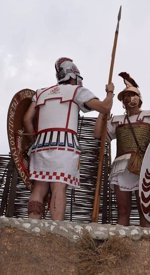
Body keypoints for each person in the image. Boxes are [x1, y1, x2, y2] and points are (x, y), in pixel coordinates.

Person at [23, 57, 114, 221]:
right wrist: (109, 92)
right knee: (58, 186)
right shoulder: (76, 91)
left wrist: (33, 141)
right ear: (73, 75)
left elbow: (27, 120)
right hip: (64, 145)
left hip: (40, 145)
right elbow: (105, 107)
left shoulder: (41, 92)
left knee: (39, 186)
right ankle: (56, 229)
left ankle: (32, 225)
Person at [94, 72, 150, 227]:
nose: (129, 98)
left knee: (145, 209)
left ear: (139, 98)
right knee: (123, 210)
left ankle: (147, 245)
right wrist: (102, 110)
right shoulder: (117, 120)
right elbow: (99, 134)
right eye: (125, 96)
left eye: (132, 94)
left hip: (144, 166)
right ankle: (122, 245)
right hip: (121, 166)